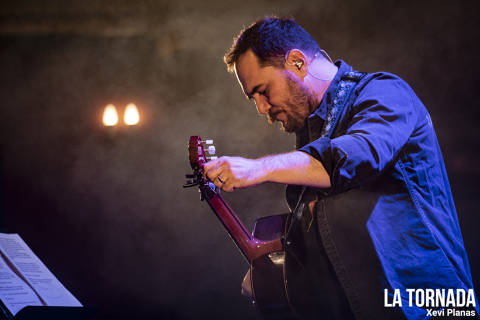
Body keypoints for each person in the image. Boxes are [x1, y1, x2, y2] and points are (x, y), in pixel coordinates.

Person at [203, 16, 478, 319]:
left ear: (297, 62)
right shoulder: (313, 136)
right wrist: (279, 277)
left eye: (263, 90)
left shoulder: (384, 92)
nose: (261, 108)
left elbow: (353, 157)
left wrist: (258, 168)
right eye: (253, 98)